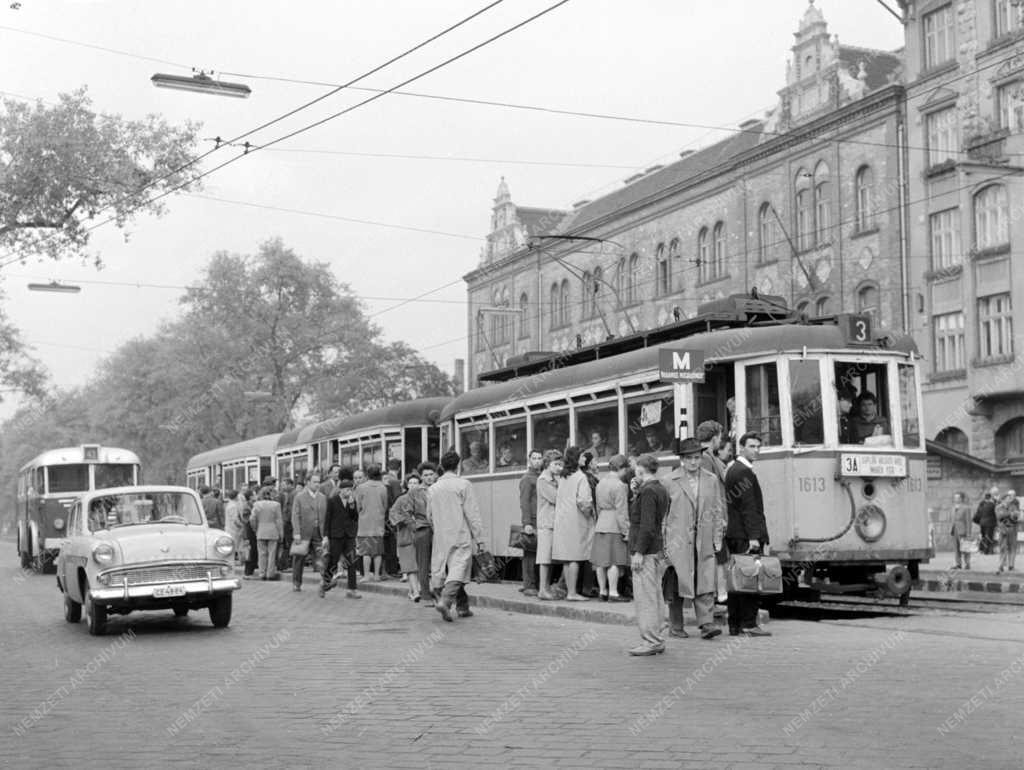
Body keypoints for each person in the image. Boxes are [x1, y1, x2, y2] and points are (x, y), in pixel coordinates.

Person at [663, 438, 726, 641]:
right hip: (678, 541)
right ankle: (676, 624)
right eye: (689, 458)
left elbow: (717, 510)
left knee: (705, 580)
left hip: (704, 540)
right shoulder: (669, 481)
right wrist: (664, 545)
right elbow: (663, 516)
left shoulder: (711, 480)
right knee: (677, 582)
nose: (693, 462)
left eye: (697, 458)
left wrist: (717, 538)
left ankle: (706, 624)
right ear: (682, 459)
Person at [427, 450, 487, 622]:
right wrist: (480, 538)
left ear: (441, 466)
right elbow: (472, 514)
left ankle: (462, 606)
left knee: (443, 569)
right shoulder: (464, 485)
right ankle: (445, 601)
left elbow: (429, 515)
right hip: (460, 534)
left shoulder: (433, 488)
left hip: (440, 536)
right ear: (458, 465)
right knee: (458, 569)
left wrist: (438, 528)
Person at [724, 432, 771, 637]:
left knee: (736, 579)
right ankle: (749, 623)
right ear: (741, 447)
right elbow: (748, 508)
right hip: (745, 535)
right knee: (750, 579)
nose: (756, 450)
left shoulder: (734, 469)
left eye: (758, 446)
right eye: (752, 446)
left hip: (736, 533)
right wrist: (754, 537)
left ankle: (734, 624)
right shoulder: (743, 472)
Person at [627, 454, 670, 656]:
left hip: (646, 551)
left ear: (641, 469)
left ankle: (651, 640)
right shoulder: (660, 489)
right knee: (655, 594)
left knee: (645, 597)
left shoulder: (648, 491)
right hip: (657, 550)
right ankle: (657, 635)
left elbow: (646, 526)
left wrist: (638, 552)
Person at [552, 446, 596, 601]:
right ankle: (572, 593)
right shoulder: (580, 477)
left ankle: (569, 591)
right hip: (576, 521)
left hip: (563, 520)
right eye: (582, 456)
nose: (584, 459)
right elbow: (584, 502)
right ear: (576, 458)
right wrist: (591, 514)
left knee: (567, 558)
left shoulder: (563, 476)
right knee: (576, 557)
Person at [591, 454, 629, 601]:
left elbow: (598, 507)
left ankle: (602, 591)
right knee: (614, 560)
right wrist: (626, 530)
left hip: (601, 524)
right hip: (614, 525)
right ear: (621, 468)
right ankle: (613, 592)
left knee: (601, 561)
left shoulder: (600, 483)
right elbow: (621, 511)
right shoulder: (620, 485)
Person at [389, 473, 429, 601]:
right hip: (406, 535)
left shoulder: (425, 497)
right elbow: (393, 513)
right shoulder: (401, 499)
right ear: (406, 485)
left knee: (419, 565)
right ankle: (416, 592)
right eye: (410, 483)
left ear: (419, 484)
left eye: (415, 483)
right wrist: (405, 520)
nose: (412, 485)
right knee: (410, 565)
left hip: (422, 535)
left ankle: (413, 590)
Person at [319, 479, 361, 599]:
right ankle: (324, 584)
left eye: (351, 490)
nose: (349, 492)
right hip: (336, 535)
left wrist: (352, 505)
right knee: (333, 561)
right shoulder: (333, 501)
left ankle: (352, 590)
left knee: (352, 561)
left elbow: (355, 518)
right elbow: (327, 519)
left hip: (349, 535)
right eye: (347, 490)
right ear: (341, 490)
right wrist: (326, 536)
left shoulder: (352, 501)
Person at [290, 473, 326, 591]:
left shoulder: (322, 497)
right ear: (308, 482)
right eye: (315, 482)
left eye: (318, 482)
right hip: (303, 532)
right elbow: (295, 515)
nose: (317, 484)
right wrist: (296, 533)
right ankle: (296, 583)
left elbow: (326, 516)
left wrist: (326, 534)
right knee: (299, 558)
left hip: (318, 532)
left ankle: (325, 580)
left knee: (321, 557)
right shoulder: (299, 497)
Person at [355, 463, 389, 581]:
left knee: (366, 552)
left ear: (367, 475)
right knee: (378, 551)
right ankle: (376, 575)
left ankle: (366, 575)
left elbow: (358, 506)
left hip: (364, 524)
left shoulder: (361, 488)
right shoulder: (383, 487)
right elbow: (385, 505)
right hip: (379, 523)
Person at [536, 450, 562, 601]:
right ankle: (542, 589)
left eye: (560, 464)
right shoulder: (543, 480)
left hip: (553, 522)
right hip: (546, 522)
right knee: (544, 557)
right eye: (556, 464)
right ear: (548, 464)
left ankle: (545, 588)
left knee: (549, 557)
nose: (559, 467)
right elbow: (556, 498)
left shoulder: (552, 479)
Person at [518, 449, 543, 597]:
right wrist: (527, 523)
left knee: (538, 553)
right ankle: (528, 584)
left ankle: (536, 583)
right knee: (530, 553)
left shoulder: (541, 476)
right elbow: (524, 502)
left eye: (539, 458)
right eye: (534, 458)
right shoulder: (527, 478)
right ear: (529, 460)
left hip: (541, 519)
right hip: (532, 520)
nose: (537, 461)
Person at [250, 487, 284, 581]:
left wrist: (255, 528)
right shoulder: (276, 505)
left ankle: (262, 573)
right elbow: (279, 521)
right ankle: (270, 574)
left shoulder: (257, 504)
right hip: (273, 531)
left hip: (261, 530)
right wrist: (281, 533)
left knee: (262, 553)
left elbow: (252, 519)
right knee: (272, 554)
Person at [383, 458, 404, 579]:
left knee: (386, 544)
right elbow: (398, 499)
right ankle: (393, 569)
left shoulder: (384, 480)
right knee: (392, 543)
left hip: (384, 516)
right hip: (392, 517)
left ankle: (387, 569)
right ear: (399, 469)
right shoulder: (395, 482)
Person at [997, 490, 1020, 573]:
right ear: (1003, 499)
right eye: (1007, 498)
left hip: (1012, 529)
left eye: (1010, 498)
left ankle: (1011, 565)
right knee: (1003, 548)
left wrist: (1014, 514)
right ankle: (1001, 565)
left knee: (1012, 548)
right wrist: (1010, 514)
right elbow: (999, 517)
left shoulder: (1013, 506)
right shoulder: (999, 507)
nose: (1009, 499)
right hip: (1003, 529)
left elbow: (1016, 517)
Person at [950, 491, 973, 570]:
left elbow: (968, 521)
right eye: (955, 497)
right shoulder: (953, 508)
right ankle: (958, 564)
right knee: (956, 548)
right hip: (954, 530)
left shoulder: (966, 508)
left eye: (958, 498)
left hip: (963, 531)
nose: (956, 499)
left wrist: (969, 533)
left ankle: (967, 564)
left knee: (965, 548)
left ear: (961, 499)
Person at [277, 478, 296, 572]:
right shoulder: (288, 494)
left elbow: (291, 510)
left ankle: (287, 565)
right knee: (287, 544)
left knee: (289, 544)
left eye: (283, 484)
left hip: (289, 523)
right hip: (287, 522)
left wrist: (287, 520)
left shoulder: (293, 494)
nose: (282, 486)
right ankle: (285, 565)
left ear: (290, 485)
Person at [974, 488, 998, 555]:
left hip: (982, 522)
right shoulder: (993, 504)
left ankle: (982, 550)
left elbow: (978, 512)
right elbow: (996, 513)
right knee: (989, 536)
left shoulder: (981, 504)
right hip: (990, 523)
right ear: (990, 497)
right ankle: (987, 551)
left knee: (983, 536)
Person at [224, 490, 244, 563]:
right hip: (233, 529)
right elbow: (235, 519)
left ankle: (236, 560)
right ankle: (233, 561)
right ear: (236, 496)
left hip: (231, 528)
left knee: (234, 546)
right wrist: (242, 526)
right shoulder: (233, 506)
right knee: (235, 545)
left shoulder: (231, 504)